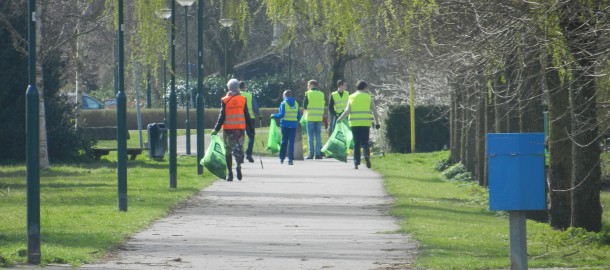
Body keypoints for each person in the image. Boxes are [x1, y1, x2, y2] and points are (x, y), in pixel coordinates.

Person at [211, 79, 255, 181]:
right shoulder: (243, 99)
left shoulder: (225, 100)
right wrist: (251, 129)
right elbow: (247, 115)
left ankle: (230, 173)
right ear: (238, 88)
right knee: (239, 149)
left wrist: (216, 129)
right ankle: (238, 165)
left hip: (228, 130)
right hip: (239, 129)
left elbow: (222, 117)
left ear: (229, 88)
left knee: (228, 151)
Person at [336, 80, 380, 169]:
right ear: (365, 88)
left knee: (356, 143)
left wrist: (339, 119)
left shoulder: (351, 97)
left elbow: (347, 111)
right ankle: (366, 155)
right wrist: (377, 123)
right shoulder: (368, 97)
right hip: (365, 123)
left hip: (354, 123)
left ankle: (356, 163)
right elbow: (374, 111)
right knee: (365, 142)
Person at [271, 90, 302, 165]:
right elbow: (299, 116)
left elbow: (281, 115)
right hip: (293, 125)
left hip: (285, 125)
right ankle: (290, 160)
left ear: (285, 95)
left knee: (284, 141)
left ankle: (282, 158)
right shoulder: (296, 103)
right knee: (291, 142)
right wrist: (295, 121)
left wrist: (273, 115)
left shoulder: (283, 103)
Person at [239, 81, 261, 163]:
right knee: (251, 137)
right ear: (245, 87)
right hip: (250, 118)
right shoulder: (249, 95)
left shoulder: (236, 95)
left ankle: (240, 156)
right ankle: (249, 155)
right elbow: (255, 107)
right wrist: (259, 114)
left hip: (239, 119)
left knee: (240, 138)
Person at [303, 80, 325, 159]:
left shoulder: (308, 94)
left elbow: (305, 106)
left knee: (310, 137)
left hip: (310, 118)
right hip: (319, 118)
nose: (307, 87)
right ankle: (318, 154)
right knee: (318, 136)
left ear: (312, 85)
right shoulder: (321, 94)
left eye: (308, 85)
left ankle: (311, 154)